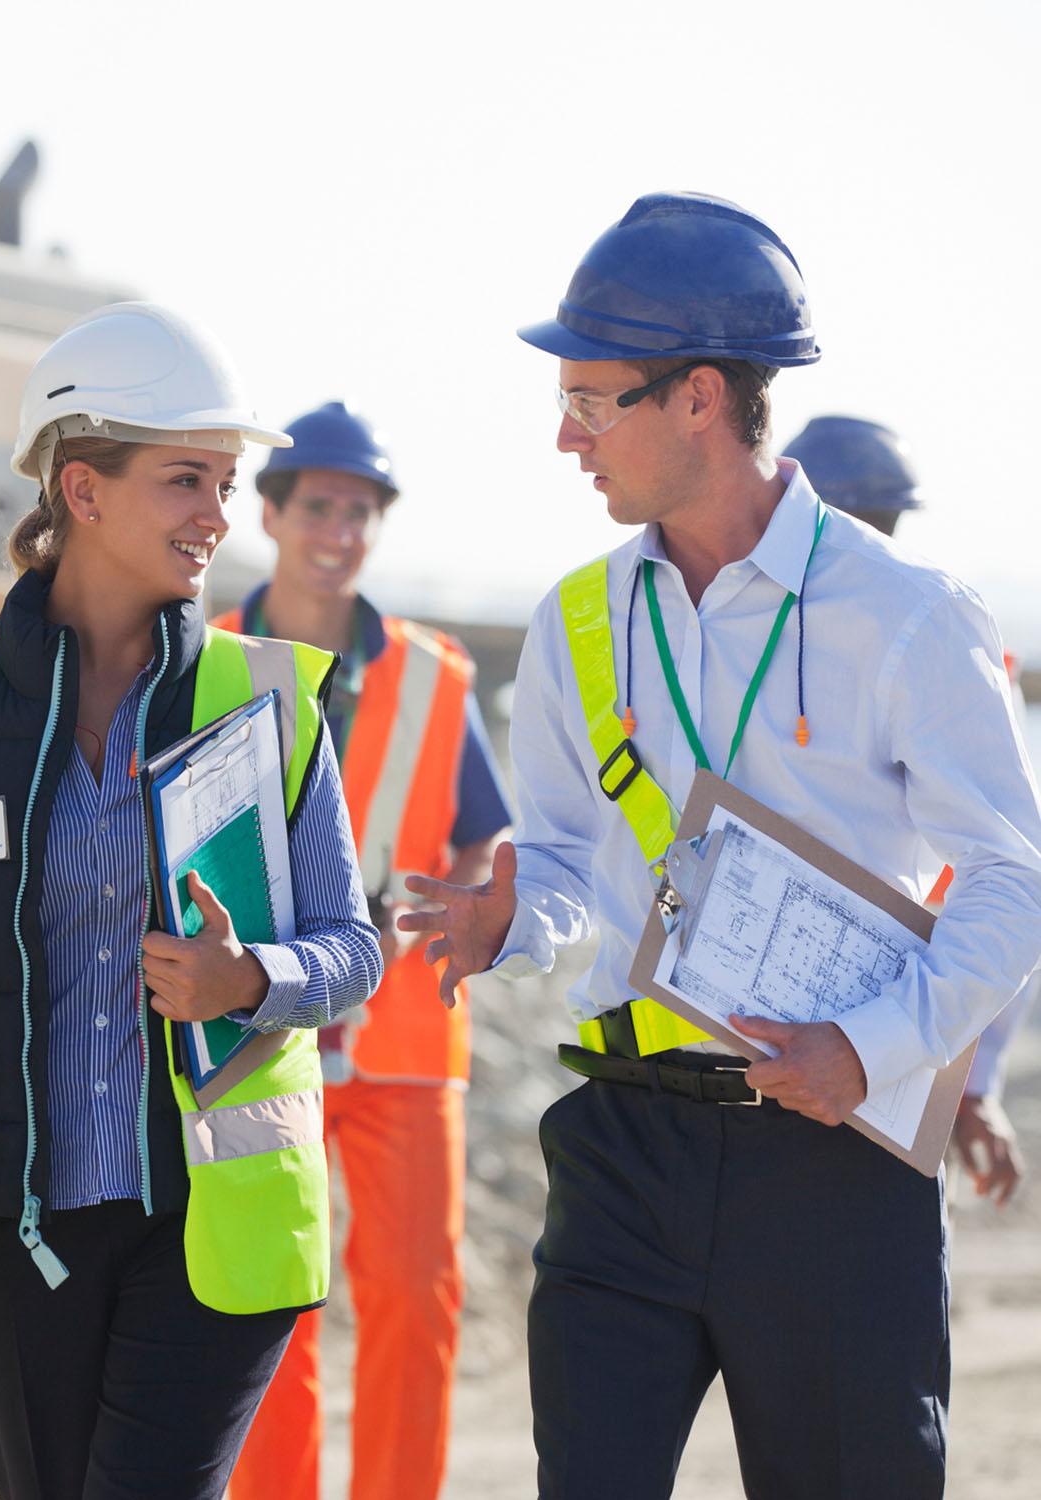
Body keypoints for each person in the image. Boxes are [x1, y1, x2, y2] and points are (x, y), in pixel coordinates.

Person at [399, 192, 1041, 1498]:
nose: (563, 435)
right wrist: (507, 920)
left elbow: (1016, 881)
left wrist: (873, 1051)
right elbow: (574, 871)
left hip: (831, 1157)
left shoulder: (907, 618)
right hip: (623, 1143)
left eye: (591, 400)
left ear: (698, 398)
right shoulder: (579, 619)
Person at [0, 303, 383, 1500]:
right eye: (186, 480)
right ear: (82, 489)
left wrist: (253, 982)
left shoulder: (263, 698)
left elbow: (352, 948)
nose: (218, 516)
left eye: (224, 483)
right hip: (20, 1226)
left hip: (211, 1227)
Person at [221, 402, 512, 1500]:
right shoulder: (205, 657)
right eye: (320, 508)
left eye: (360, 512)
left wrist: (467, 903)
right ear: (273, 514)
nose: (339, 531)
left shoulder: (438, 678)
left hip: (398, 1034)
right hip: (250, 1024)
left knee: (413, 1296)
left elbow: (484, 831)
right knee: (268, 1301)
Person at [783, 414, 1035, 1205]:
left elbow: (1000, 888)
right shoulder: (756, 653)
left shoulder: (946, 656)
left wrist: (968, 1081)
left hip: (891, 1050)